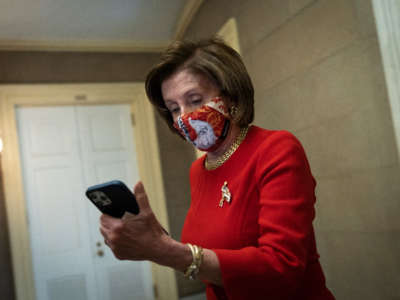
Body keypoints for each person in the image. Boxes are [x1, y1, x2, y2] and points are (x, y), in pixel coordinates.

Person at [99, 38, 335, 300]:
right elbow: (210, 253)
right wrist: (156, 239)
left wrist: (164, 251)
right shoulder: (198, 170)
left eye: (195, 99)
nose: (184, 117)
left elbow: (281, 267)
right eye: (174, 108)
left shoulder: (277, 149)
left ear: (230, 95)